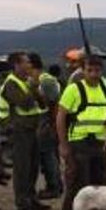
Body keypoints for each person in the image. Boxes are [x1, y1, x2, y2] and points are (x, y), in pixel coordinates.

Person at [57, 55, 106, 210]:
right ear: (82, 70)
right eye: (89, 70)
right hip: (78, 143)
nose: (93, 74)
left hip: (100, 142)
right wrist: (64, 145)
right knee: (78, 185)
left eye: (97, 70)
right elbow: (60, 117)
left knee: (103, 183)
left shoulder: (105, 87)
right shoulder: (73, 89)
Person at [0, 51, 47, 210]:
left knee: (33, 167)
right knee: (22, 169)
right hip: (18, 131)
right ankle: (22, 205)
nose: (30, 65)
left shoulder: (27, 82)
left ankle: (31, 199)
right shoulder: (11, 83)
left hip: (32, 130)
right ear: (16, 65)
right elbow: (25, 104)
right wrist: (33, 87)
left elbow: (41, 103)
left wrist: (38, 92)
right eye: (26, 63)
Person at [31, 53, 64, 200]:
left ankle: (54, 186)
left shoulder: (46, 81)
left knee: (48, 156)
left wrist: (52, 125)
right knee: (50, 155)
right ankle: (56, 185)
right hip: (46, 122)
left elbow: (54, 105)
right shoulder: (43, 80)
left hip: (47, 123)